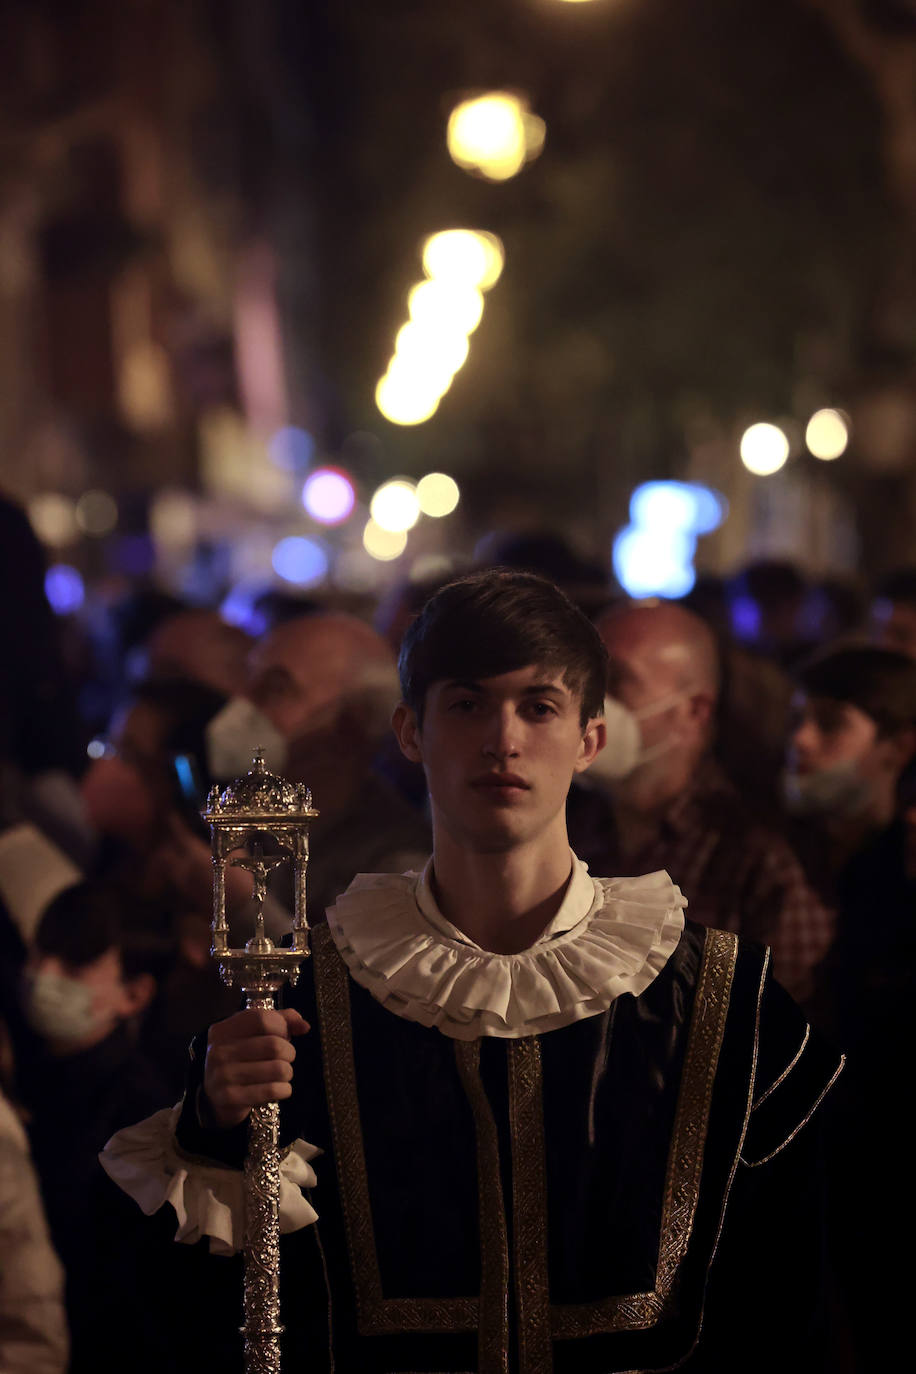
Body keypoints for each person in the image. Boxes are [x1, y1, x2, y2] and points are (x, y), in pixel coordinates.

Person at [104, 571, 842, 1373]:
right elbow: (213, 1314)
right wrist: (214, 1126)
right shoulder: (312, 999)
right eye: (466, 703)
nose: (503, 739)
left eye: (539, 706)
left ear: (591, 738)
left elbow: (793, 1301)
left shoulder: (721, 1000)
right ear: (410, 731)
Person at [570, 599, 833, 1002]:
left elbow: (787, 1033)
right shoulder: (569, 825)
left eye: (615, 681)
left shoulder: (758, 861)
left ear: (694, 710)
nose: (587, 703)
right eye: (585, 680)